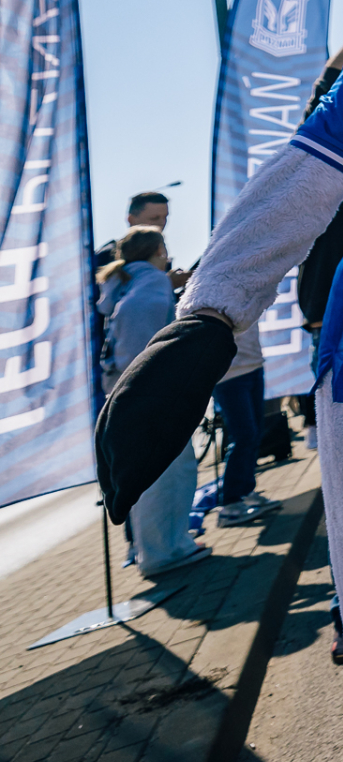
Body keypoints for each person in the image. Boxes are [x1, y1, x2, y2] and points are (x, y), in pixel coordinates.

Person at [98, 228, 209, 576]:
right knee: (169, 471)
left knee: (153, 471)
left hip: (128, 390)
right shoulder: (151, 284)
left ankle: (161, 547)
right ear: (159, 250)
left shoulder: (123, 283)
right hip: (151, 391)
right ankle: (166, 551)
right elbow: (143, 344)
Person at [94, 191, 190, 291]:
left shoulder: (159, 253)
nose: (162, 224)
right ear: (131, 220)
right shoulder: (107, 255)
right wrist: (167, 283)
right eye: (154, 218)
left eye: (165, 217)